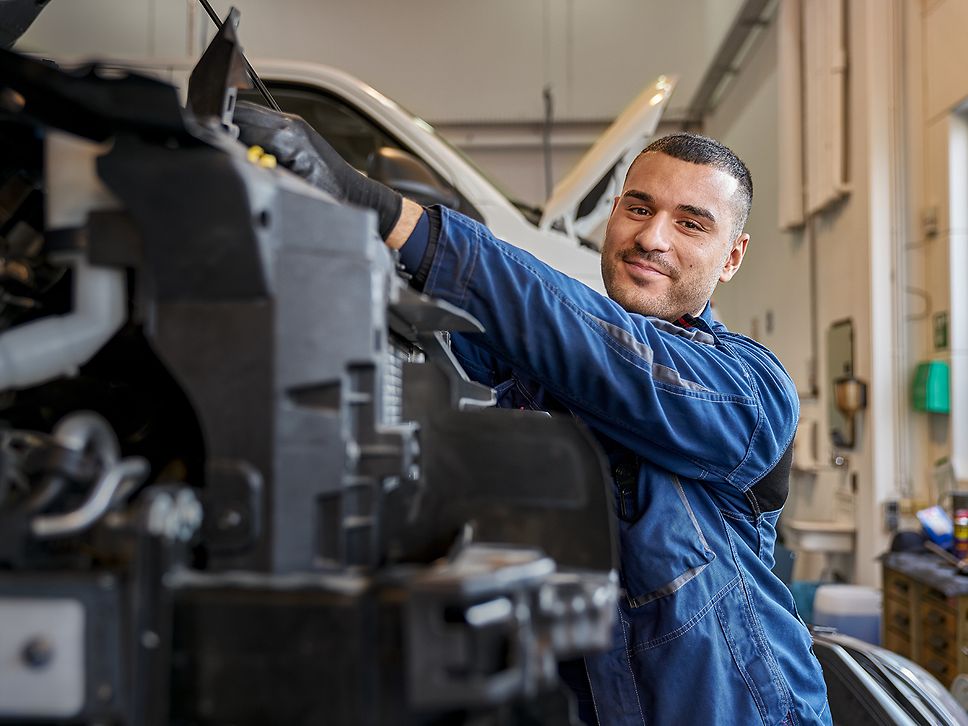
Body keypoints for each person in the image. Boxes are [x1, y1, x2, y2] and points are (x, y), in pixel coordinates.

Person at [235, 101, 832, 726]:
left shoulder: (750, 390)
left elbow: (610, 355)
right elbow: (433, 322)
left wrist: (382, 209)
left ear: (731, 257)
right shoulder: (533, 373)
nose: (652, 237)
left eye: (690, 224)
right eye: (638, 208)